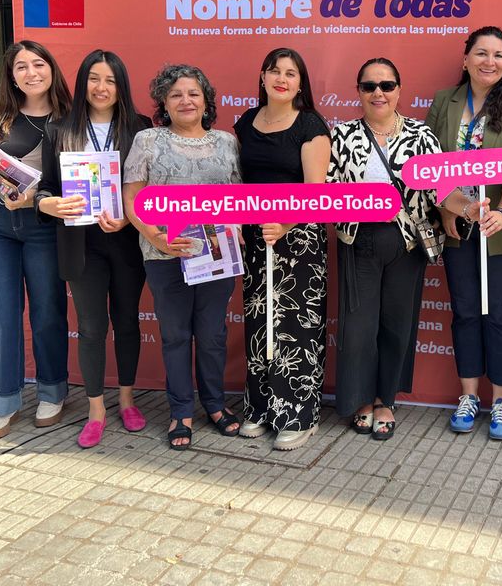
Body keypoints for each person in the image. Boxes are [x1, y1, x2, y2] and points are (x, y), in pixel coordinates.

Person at [425, 26, 502, 440]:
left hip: (501, 227)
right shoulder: (445, 100)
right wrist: (447, 208)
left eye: (498, 55)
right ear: (466, 59)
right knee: (467, 310)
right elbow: (431, 163)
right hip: (459, 222)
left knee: (501, 314)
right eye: (481, 53)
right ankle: (469, 396)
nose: (490, 61)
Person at [36, 50, 152, 449]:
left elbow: (150, 187)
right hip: (80, 242)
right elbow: (46, 188)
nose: (102, 88)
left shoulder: (140, 128)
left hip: (127, 240)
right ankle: (96, 408)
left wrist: (128, 217)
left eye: (111, 80)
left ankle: (127, 399)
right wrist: (49, 204)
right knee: (90, 327)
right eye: (94, 79)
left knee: (127, 321)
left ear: (122, 87)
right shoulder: (59, 130)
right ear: (82, 82)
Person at [122, 64, 242, 450]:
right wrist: (153, 236)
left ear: (206, 101)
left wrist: (235, 229)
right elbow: (132, 196)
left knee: (212, 335)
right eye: (175, 94)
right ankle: (180, 411)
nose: (185, 101)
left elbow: (237, 196)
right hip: (165, 254)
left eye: (193, 93)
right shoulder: (148, 140)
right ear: (164, 102)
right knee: (175, 336)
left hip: (216, 254)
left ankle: (215, 405)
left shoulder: (227, 142)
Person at [0, 40, 72, 439]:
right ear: (10, 74)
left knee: (48, 310)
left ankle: (52, 391)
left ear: (51, 68)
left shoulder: (69, 117)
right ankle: (4, 400)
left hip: (43, 223)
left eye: (38, 64)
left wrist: (33, 198)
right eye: (20, 66)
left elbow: (76, 178)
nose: (30, 73)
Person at [328, 58, 442, 441]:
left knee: (397, 324)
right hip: (358, 240)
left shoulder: (421, 135)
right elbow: (326, 188)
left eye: (387, 85)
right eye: (369, 86)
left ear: (399, 90)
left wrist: (467, 208)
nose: (378, 92)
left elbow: (440, 190)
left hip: (405, 243)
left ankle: (385, 400)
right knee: (359, 327)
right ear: (358, 91)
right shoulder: (342, 135)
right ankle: (360, 399)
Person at [234, 48, 330, 450]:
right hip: (256, 238)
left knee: (295, 326)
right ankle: (260, 408)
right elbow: (237, 182)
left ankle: (299, 414)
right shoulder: (245, 123)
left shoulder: (310, 125)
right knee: (260, 323)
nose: (282, 79)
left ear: (300, 83)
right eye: (275, 71)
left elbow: (316, 191)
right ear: (262, 76)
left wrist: (286, 223)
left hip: (298, 237)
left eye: (291, 73)